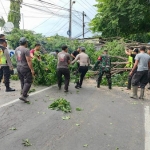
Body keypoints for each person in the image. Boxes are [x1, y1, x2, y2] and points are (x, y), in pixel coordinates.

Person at [15, 37, 35, 102]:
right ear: (25, 42)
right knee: (28, 81)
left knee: (22, 80)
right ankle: (23, 95)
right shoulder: (26, 50)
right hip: (25, 67)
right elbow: (29, 61)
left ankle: (24, 93)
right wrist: (32, 69)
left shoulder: (16, 49)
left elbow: (17, 58)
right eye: (27, 42)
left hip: (18, 66)